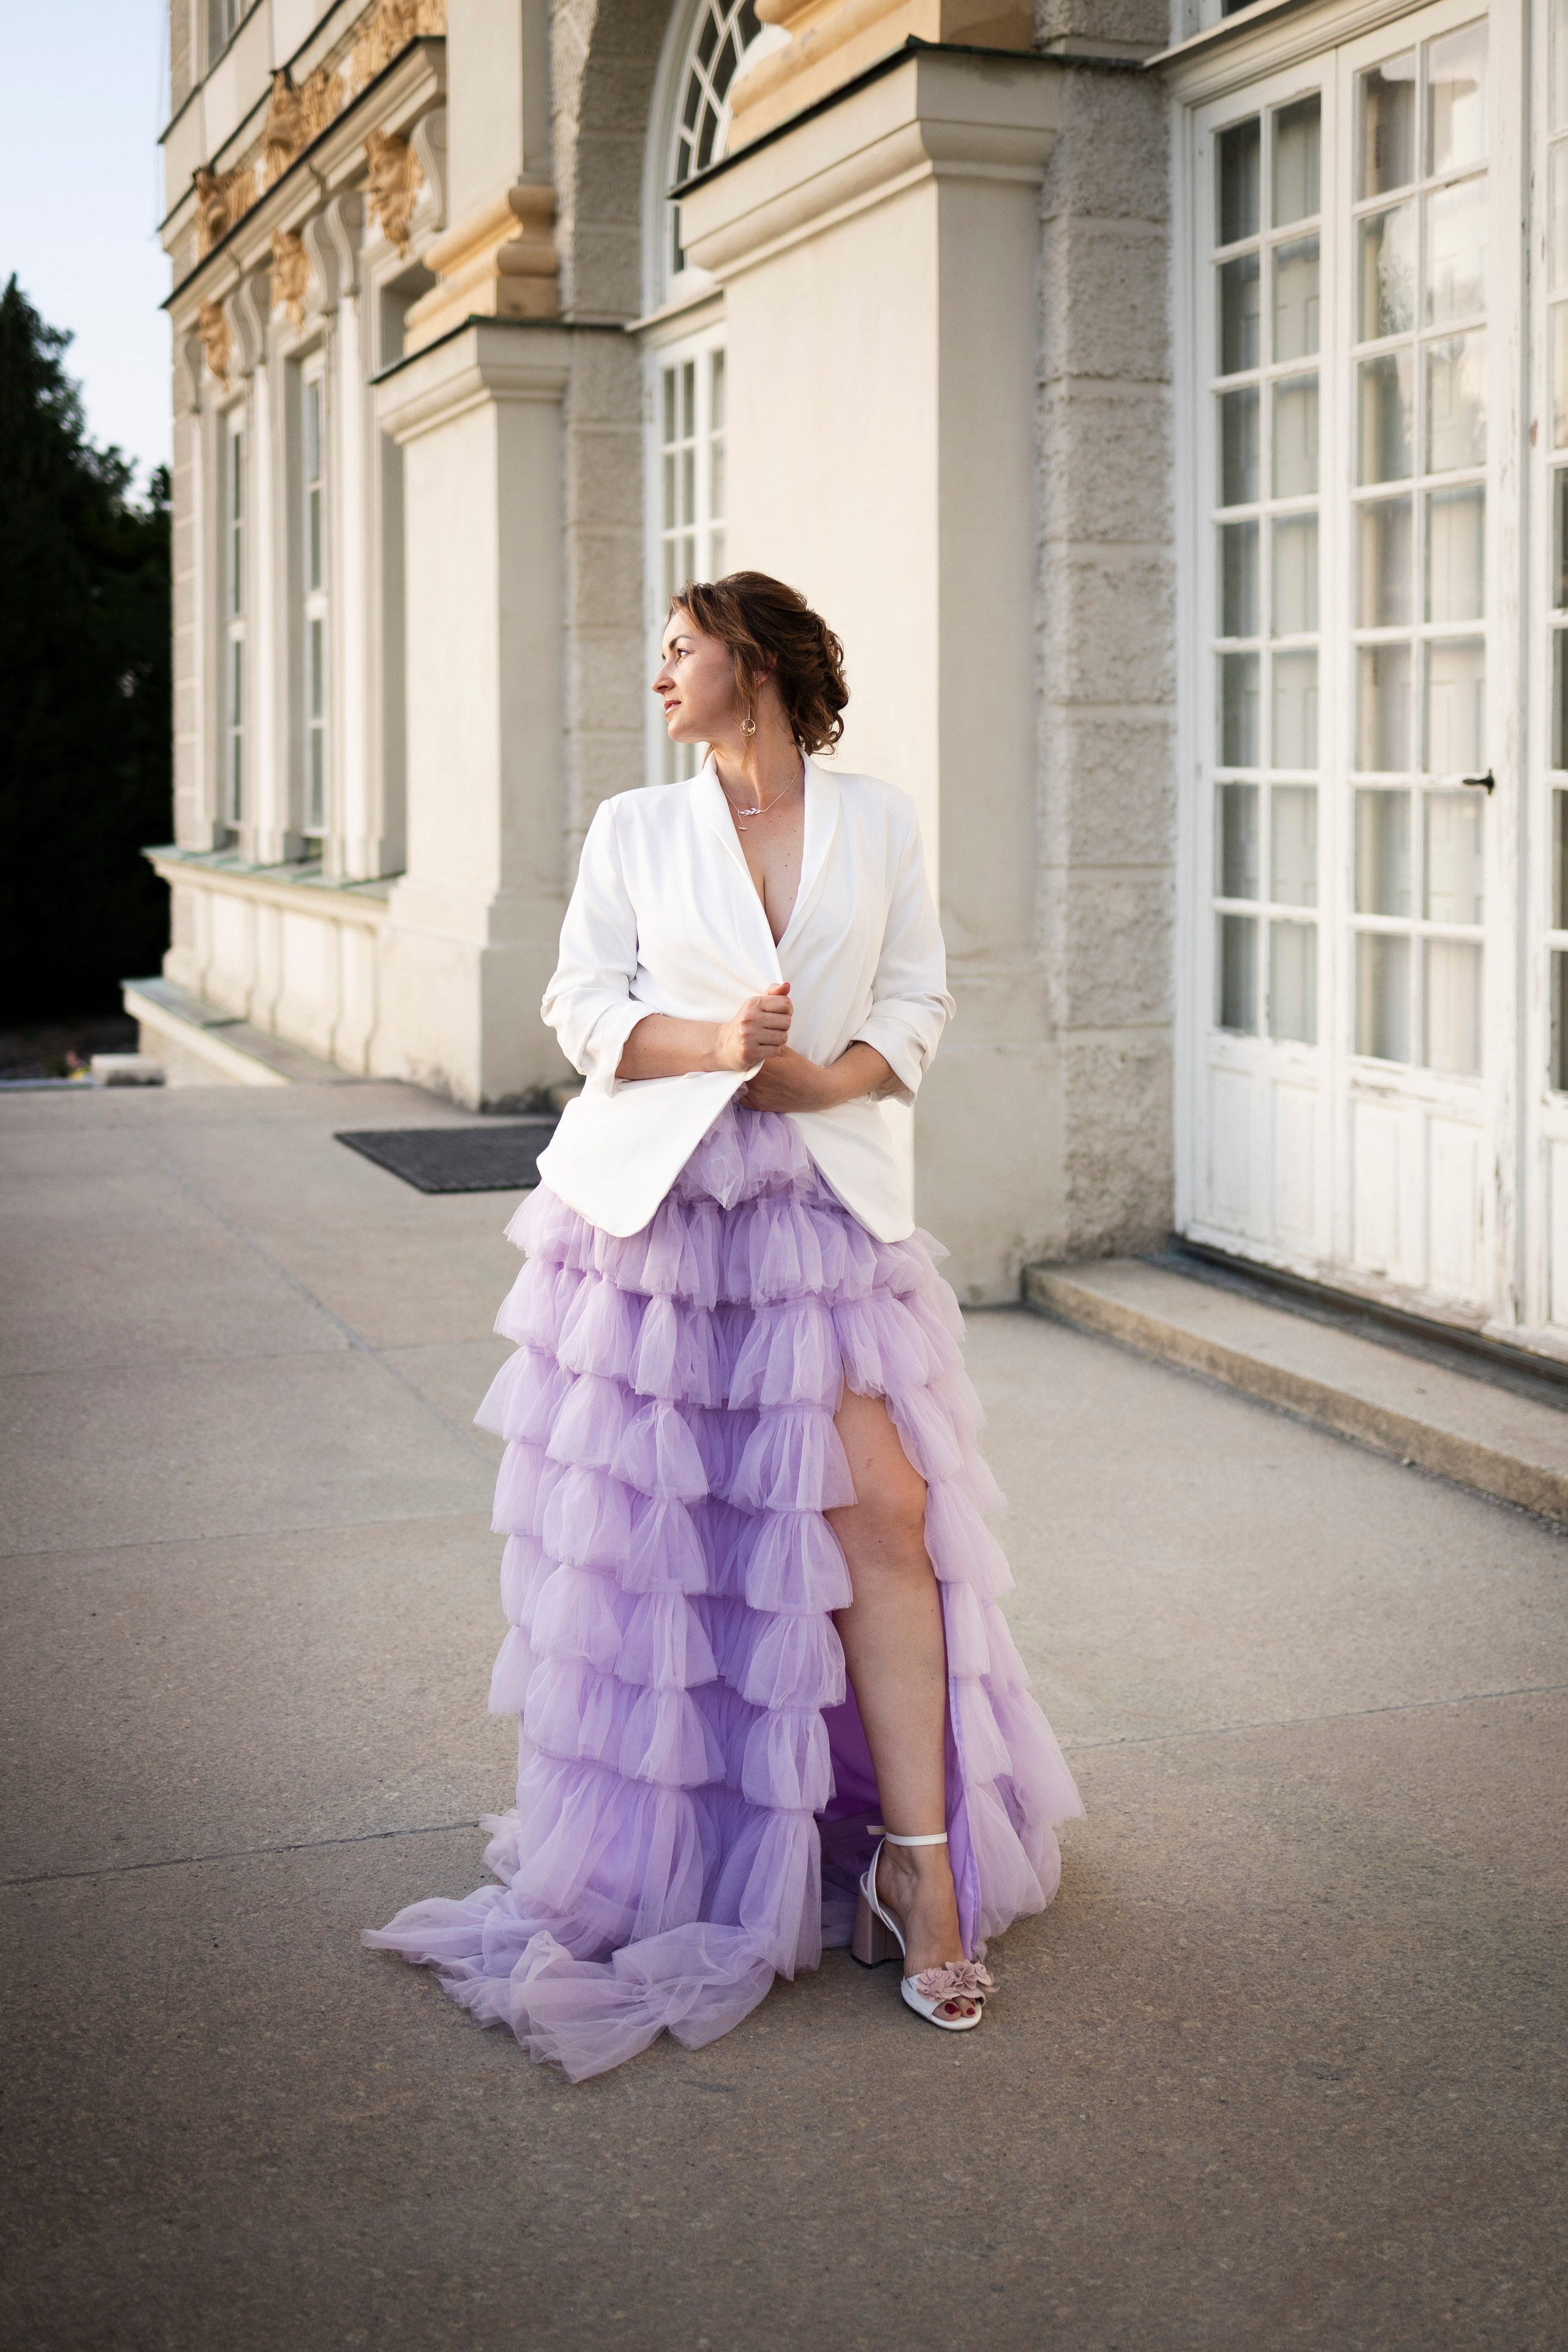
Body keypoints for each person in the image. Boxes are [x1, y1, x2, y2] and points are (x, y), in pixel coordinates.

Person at [365, 572, 1084, 2079]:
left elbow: (919, 994)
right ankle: (695, 1858)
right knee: (683, 1551)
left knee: (884, 1514)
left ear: (749, 662)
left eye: (679, 651)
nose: (660, 677)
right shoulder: (635, 828)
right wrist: (708, 1044)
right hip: (658, 1224)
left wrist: (830, 1078)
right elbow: (578, 1006)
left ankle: (919, 1867)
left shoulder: (875, 819)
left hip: (821, 1210)